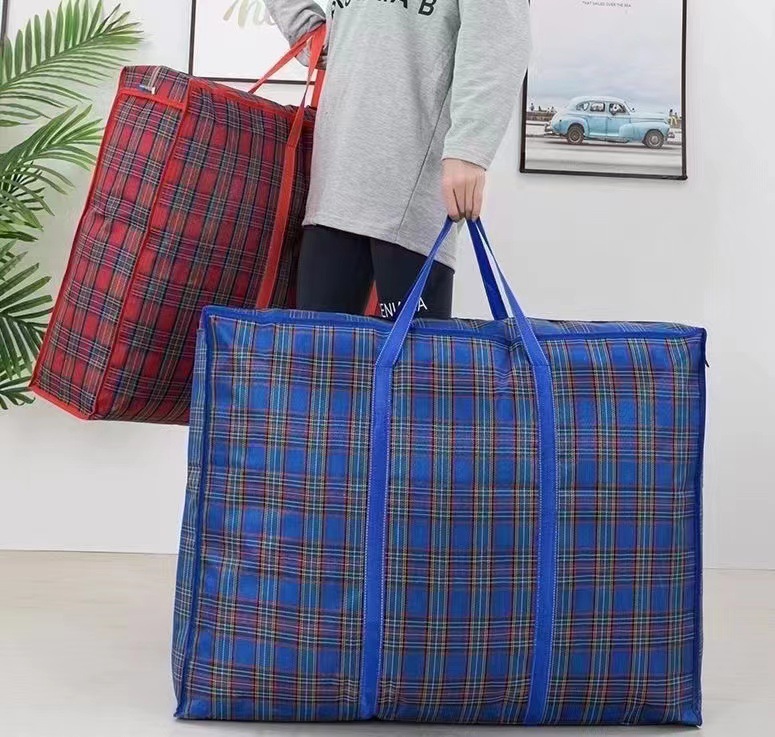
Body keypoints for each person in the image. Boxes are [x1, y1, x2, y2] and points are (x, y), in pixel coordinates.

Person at [264, 0, 531, 319]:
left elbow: (499, 36)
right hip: (335, 179)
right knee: (319, 346)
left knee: (415, 349)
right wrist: (310, 31)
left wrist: (469, 148)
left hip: (411, 185)